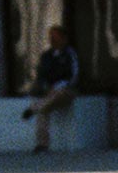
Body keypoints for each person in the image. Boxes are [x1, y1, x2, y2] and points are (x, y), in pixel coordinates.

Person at [21, 25, 80, 153]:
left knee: (56, 94)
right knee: (43, 110)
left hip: (66, 90)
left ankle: (33, 108)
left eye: (56, 36)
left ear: (63, 38)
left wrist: (63, 85)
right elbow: (41, 75)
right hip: (50, 93)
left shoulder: (69, 54)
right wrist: (45, 86)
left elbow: (74, 74)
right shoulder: (47, 56)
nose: (52, 40)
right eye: (51, 37)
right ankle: (42, 144)